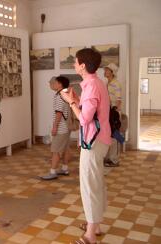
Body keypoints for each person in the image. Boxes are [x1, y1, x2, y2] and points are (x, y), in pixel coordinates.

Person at [61, 48, 111, 244]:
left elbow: (84, 119)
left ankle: (90, 235)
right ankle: (95, 225)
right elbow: (93, 110)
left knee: (89, 185)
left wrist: (70, 102)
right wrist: (77, 100)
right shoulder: (97, 83)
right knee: (96, 182)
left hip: (93, 141)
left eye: (75, 62)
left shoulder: (91, 86)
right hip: (101, 139)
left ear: (82, 65)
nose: (74, 65)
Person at [40, 76, 71, 180]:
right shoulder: (65, 93)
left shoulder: (59, 96)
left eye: (55, 82)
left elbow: (58, 113)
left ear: (60, 84)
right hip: (66, 127)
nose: (53, 84)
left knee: (55, 150)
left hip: (61, 128)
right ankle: (65, 168)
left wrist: (54, 127)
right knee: (65, 149)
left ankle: (52, 172)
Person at [104, 63, 122, 167]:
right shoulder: (107, 83)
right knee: (108, 135)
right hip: (108, 111)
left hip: (114, 112)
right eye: (105, 70)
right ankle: (108, 157)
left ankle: (114, 160)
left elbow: (119, 100)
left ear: (112, 72)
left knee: (114, 136)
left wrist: (115, 112)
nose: (105, 72)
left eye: (107, 70)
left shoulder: (116, 83)